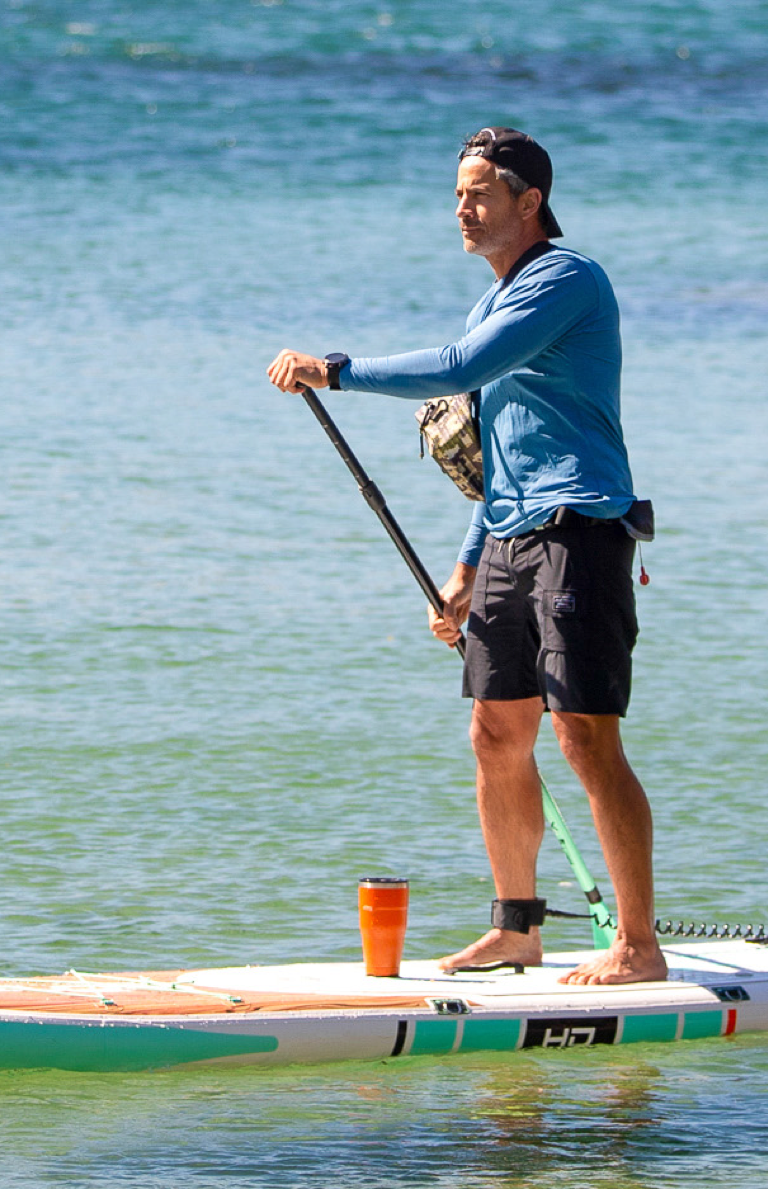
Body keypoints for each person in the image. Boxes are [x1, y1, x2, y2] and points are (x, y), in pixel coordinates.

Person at [266, 128, 666, 986]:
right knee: (495, 733)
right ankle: (518, 928)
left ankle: (636, 945)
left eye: (479, 192)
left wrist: (334, 369)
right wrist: (466, 567)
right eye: (457, 193)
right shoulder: (493, 298)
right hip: (513, 536)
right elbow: (499, 462)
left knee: (586, 740)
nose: (462, 206)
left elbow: (459, 367)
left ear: (529, 202)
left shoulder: (566, 280)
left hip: (579, 534)